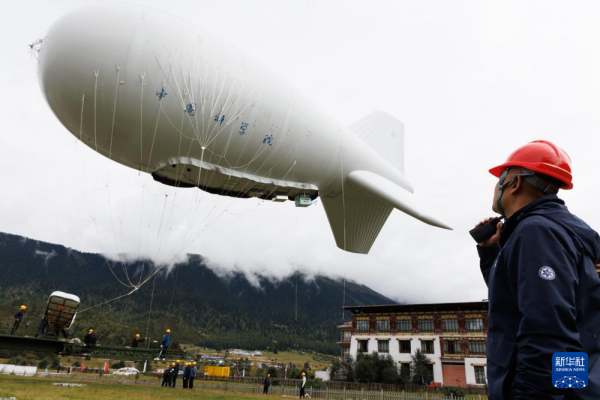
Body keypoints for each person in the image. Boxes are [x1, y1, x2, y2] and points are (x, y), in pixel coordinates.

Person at [475, 140, 600, 399]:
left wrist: (538, 395)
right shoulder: (554, 230)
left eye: (500, 177)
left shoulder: (537, 232)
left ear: (515, 183)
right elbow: (513, 303)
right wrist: (490, 252)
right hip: (574, 387)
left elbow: (551, 332)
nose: (496, 185)